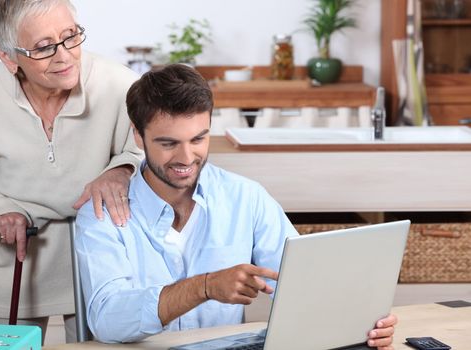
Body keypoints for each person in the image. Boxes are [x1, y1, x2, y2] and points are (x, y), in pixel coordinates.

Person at [75, 64, 397, 349]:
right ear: (137, 135)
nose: (186, 159)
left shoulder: (246, 198)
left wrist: (364, 324)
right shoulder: (102, 211)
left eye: (198, 139)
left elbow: (307, 284)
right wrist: (204, 287)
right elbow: (107, 318)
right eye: (168, 143)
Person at [0, 0, 143, 343]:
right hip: (13, 259)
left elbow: (148, 146)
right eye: (43, 47)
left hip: (100, 255)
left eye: (70, 36)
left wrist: (122, 169)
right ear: (8, 57)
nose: (65, 55)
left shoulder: (121, 85)